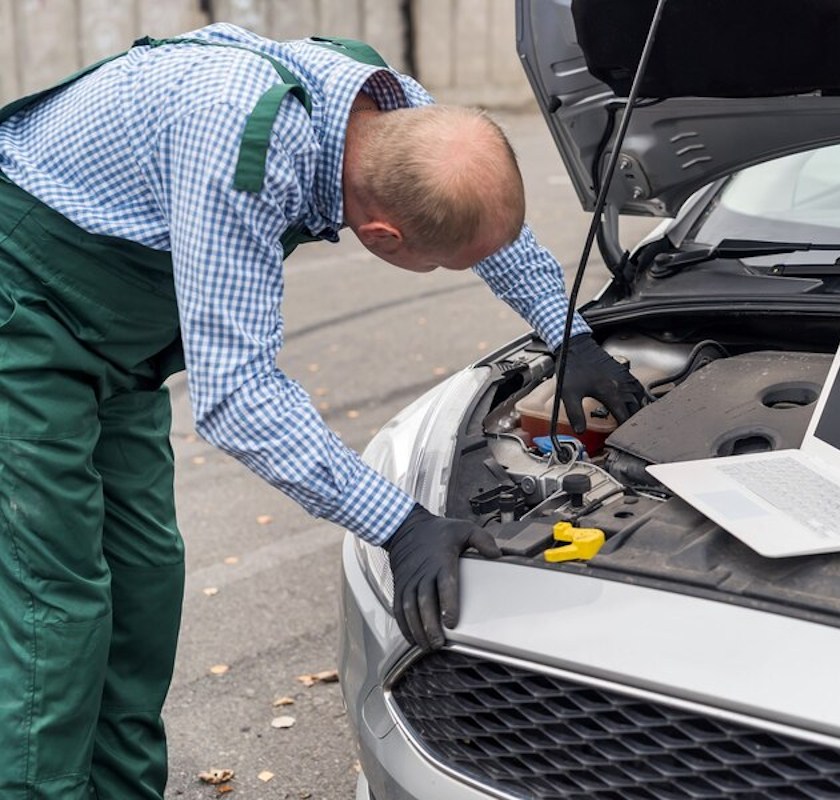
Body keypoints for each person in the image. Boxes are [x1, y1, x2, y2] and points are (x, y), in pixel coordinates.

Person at [0, 23, 645, 799]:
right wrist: (400, 525)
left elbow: (480, 226)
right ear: (380, 239)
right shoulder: (240, 156)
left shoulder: (387, 112)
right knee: (55, 608)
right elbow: (238, 396)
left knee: (143, 585)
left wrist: (570, 335)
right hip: (22, 317)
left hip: (116, 346)